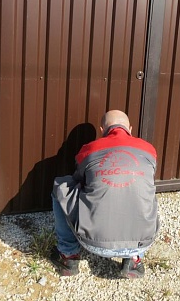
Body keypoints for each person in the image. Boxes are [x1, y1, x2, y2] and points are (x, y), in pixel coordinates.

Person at [50, 110, 159, 278]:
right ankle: (134, 260)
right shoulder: (149, 149)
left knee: (60, 186)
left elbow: (78, 180)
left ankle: (68, 255)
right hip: (142, 243)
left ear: (102, 130)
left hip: (93, 243)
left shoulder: (89, 149)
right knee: (143, 190)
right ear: (130, 129)